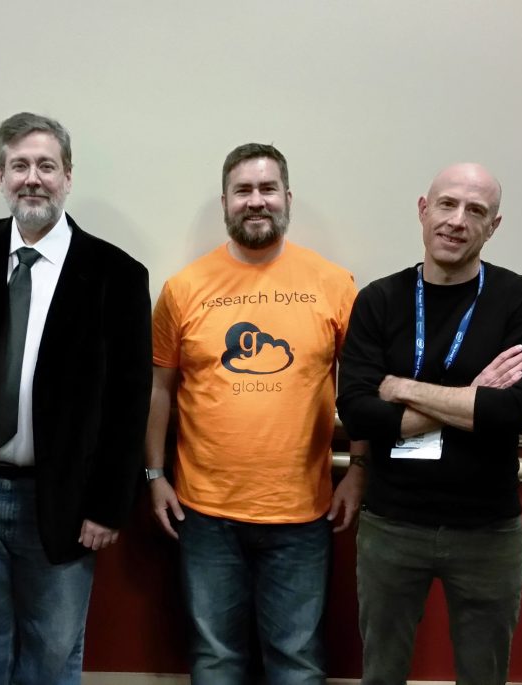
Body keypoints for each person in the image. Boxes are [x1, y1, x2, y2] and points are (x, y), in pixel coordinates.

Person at [0, 112, 152, 685]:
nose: (32, 178)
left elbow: (130, 402)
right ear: (1, 176)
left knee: (52, 653)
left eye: (46, 166)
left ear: (67, 177)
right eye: (19, 165)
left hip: (64, 501)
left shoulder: (117, 274)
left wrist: (108, 505)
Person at [146, 143, 367, 685]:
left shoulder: (335, 285)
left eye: (267, 189)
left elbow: (359, 389)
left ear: (287, 197)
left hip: (303, 514)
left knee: (297, 661)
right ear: (225, 201)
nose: (256, 200)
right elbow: (159, 389)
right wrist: (154, 474)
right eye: (243, 190)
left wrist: (359, 470)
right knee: (215, 660)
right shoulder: (183, 289)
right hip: (204, 514)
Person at [336, 163, 522, 684]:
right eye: (447, 204)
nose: (457, 220)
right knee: (381, 673)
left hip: (488, 530)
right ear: (423, 210)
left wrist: (402, 387)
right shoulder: (379, 300)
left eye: (475, 210)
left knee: (484, 675)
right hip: (392, 524)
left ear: (493, 226)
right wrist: (471, 398)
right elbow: (358, 411)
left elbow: (515, 412)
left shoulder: (521, 299)